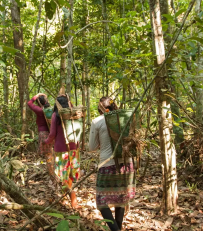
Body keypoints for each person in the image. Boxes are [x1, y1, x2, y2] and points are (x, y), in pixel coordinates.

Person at [88, 97, 136, 231]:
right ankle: (118, 228)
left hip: (107, 164)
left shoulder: (97, 121)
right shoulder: (125, 119)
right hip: (127, 164)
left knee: (102, 202)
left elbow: (92, 147)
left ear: (100, 109)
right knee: (121, 198)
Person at [45, 95, 80, 209]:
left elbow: (52, 134)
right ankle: (68, 197)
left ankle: (72, 196)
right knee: (70, 174)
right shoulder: (73, 114)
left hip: (61, 149)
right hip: (74, 148)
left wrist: (46, 142)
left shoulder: (56, 115)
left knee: (62, 176)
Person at [27, 93, 54, 177]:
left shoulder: (39, 110)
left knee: (48, 155)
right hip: (52, 133)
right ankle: (55, 173)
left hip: (43, 134)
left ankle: (53, 175)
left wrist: (36, 95)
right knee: (53, 154)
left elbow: (29, 103)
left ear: (39, 103)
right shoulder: (50, 110)